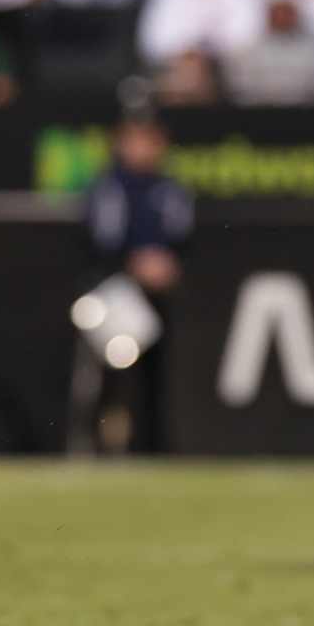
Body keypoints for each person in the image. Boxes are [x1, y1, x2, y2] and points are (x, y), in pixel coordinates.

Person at [84, 112, 193, 454]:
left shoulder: (169, 188)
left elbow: (182, 238)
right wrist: (133, 265)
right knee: (110, 374)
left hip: (154, 297)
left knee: (154, 375)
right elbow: (99, 241)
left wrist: (167, 265)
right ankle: (100, 445)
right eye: (135, 139)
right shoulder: (110, 188)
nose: (143, 148)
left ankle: (151, 446)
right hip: (113, 293)